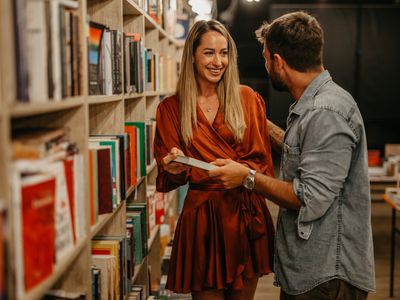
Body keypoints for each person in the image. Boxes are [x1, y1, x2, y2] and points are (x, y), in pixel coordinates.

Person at [209, 11, 376, 300]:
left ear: (277, 62)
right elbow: (308, 153)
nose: (265, 66)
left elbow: (306, 198)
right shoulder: (315, 106)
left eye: (265, 59)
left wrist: (246, 176)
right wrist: (254, 118)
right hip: (313, 272)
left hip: (326, 278)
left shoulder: (326, 112)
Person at [153, 19, 275, 300]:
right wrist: (172, 166)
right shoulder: (171, 108)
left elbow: (263, 165)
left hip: (244, 215)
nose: (218, 61)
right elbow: (171, 177)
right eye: (209, 52)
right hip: (202, 221)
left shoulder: (247, 99)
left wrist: (241, 172)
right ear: (193, 56)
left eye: (224, 53)